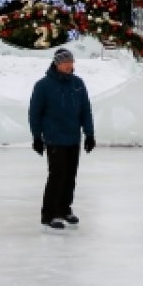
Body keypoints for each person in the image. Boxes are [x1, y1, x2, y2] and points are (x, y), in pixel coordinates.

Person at [29, 48, 96, 232]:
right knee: (56, 177)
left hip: (73, 138)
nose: (70, 66)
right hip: (54, 138)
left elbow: (85, 110)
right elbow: (35, 113)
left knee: (70, 177)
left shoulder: (78, 83)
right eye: (66, 62)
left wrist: (89, 134)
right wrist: (36, 136)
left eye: (71, 62)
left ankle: (65, 208)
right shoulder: (43, 86)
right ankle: (50, 214)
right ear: (57, 64)